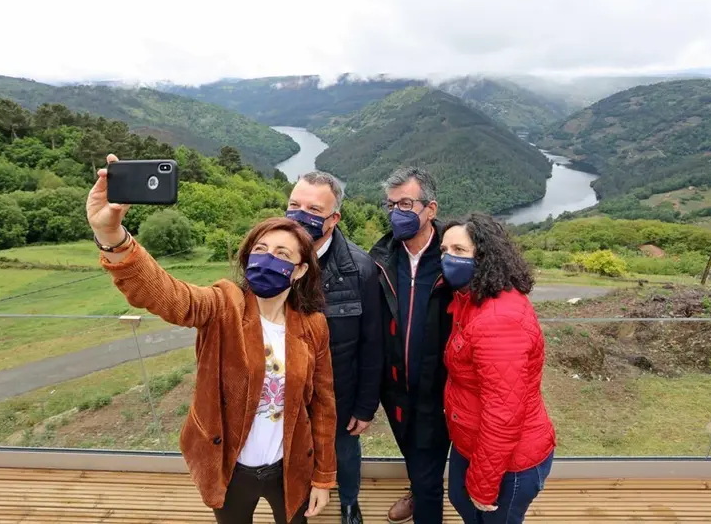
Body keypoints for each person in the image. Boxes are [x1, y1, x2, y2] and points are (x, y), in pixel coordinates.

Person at [87, 154, 337, 524]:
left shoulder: (313, 326)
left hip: (290, 465)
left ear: (299, 271)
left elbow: (323, 406)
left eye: (282, 254)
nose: (268, 259)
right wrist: (112, 237)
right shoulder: (224, 305)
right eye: (260, 250)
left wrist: (324, 477)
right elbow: (167, 295)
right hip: (229, 468)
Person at [440, 213, 556, 524]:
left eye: (459, 250)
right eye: (444, 250)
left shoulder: (498, 320)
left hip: (509, 462)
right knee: (461, 501)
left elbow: (503, 413)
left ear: (485, 256)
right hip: (477, 443)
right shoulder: (472, 298)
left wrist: (483, 484)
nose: (448, 258)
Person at [286, 171, 383, 524]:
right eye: (294, 205)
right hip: (287, 388)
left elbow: (373, 344)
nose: (300, 215)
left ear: (334, 218)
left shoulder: (360, 269)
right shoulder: (271, 257)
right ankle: (297, 501)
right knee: (292, 449)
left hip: (339, 391)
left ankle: (349, 502)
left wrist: (366, 405)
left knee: (344, 451)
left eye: (314, 209)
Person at [369, 167, 452, 524]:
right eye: (391, 205)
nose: (396, 213)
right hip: (395, 389)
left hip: (441, 389)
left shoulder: (455, 258)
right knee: (412, 451)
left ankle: (425, 494)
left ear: (430, 209)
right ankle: (419, 488)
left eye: (405, 204)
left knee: (428, 464)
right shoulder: (380, 259)